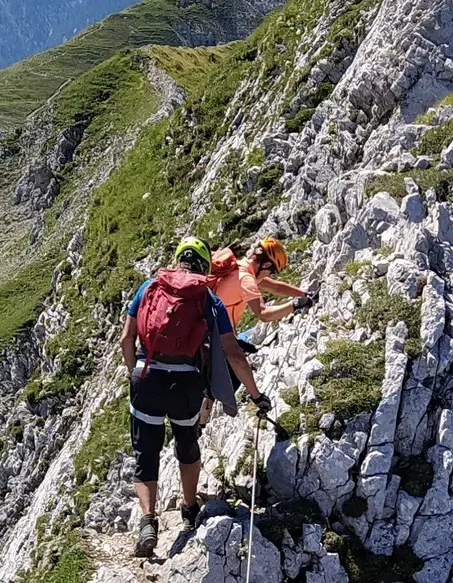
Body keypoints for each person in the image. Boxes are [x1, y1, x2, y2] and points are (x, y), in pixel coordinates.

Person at [123, 237, 267, 558]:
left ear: (177, 260)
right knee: (186, 446)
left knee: (146, 453)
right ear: (204, 267)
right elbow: (233, 353)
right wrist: (256, 395)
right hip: (186, 385)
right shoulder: (208, 299)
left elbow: (126, 339)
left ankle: (148, 521)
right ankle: (189, 510)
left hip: (147, 379)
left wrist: (138, 372)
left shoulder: (149, 287)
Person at [209, 237, 314, 337]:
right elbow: (263, 314)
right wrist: (295, 305)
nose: (269, 275)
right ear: (266, 265)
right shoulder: (246, 279)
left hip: (211, 324)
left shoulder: (240, 266)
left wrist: (304, 293)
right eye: (271, 272)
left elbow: (275, 286)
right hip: (215, 332)